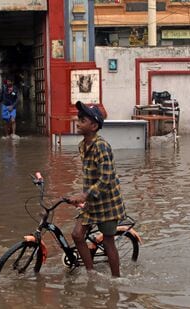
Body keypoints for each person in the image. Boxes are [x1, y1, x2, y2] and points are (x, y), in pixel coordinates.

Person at [69, 101, 125, 277]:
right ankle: (91, 273)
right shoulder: (82, 146)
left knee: (108, 242)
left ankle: (116, 280)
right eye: (78, 119)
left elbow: (106, 178)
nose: (78, 123)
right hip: (92, 202)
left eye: (82, 120)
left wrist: (84, 195)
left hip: (108, 203)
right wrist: (83, 196)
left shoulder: (101, 146)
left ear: (94, 126)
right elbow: (89, 176)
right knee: (77, 235)